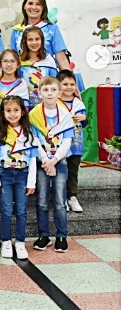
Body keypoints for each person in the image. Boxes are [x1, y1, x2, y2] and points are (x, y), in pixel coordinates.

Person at [0, 95, 38, 260]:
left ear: (22, 112)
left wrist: (32, 183)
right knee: (6, 210)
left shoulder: (28, 133)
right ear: (3, 113)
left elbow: (32, 159)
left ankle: (20, 241)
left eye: (16, 110)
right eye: (8, 110)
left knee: (22, 211)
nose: (12, 114)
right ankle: (6, 241)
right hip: (5, 175)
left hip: (23, 175)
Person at [29, 76, 75, 253]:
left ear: (59, 93)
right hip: (42, 162)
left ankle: (61, 235)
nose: (49, 93)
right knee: (41, 201)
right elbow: (34, 140)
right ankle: (44, 235)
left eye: (53, 90)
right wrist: (46, 161)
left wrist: (54, 160)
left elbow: (67, 141)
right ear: (39, 93)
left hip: (59, 162)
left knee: (60, 201)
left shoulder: (65, 115)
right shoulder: (34, 114)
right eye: (46, 90)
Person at [10, 0, 70, 71]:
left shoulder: (52, 28)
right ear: (24, 6)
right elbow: (13, 58)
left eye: (38, 4)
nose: (34, 7)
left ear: (43, 7)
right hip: (23, 75)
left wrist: (68, 77)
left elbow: (61, 59)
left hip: (48, 76)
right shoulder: (17, 31)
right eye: (30, 3)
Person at [57, 70, 87, 213]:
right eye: (65, 84)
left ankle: (72, 196)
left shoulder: (78, 103)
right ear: (58, 85)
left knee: (73, 171)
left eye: (72, 84)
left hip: (76, 144)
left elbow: (85, 123)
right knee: (61, 172)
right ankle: (61, 197)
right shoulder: (55, 102)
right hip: (60, 145)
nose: (69, 87)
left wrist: (84, 119)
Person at [18, 27, 57, 110]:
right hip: (25, 108)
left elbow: (55, 85)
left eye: (37, 39)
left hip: (46, 108)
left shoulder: (49, 61)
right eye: (30, 39)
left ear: (42, 40)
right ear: (25, 41)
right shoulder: (19, 62)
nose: (34, 42)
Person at [0, 49, 29, 122]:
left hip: (16, 123)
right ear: (0, 65)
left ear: (18, 65)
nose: (9, 64)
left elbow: (25, 107)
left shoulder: (21, 84)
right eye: (5, 61)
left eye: (12, 61)